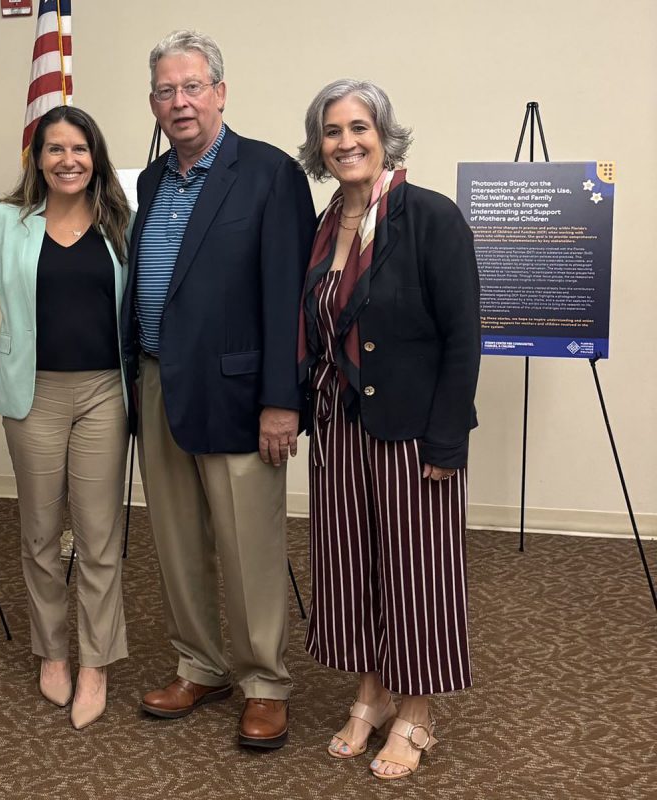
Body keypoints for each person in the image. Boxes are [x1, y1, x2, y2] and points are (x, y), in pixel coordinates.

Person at [121, 30, 316, 749]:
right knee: (176, 541)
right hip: (158, 384)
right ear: (153, 102)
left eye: (193, 87)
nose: (180, 102)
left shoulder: (268, 173)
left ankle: (264, 682)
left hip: (240, 395)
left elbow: (289, 297)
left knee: (248, 545)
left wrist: (282, 400)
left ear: (221, 93)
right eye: (166, 91)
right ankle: (200, 665)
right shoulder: (151, 180)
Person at [295, 78, 480, 780]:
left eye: (359, 128)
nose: (346, 142)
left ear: (384, 137)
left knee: (416, 572)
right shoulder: (321, 225)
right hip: (339, 426)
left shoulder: (428, 215)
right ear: (318, 145)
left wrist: (448, 438)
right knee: (352, 567)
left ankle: (417, 711)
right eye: (332, 131)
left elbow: (464, 336)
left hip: (411, 431)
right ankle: (370, 693)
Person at [0, 105, 133, 731]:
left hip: (106, 393)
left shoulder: (122, 219)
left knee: (100, 537)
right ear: (38, 159)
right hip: (34, 397)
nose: (68, 160)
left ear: (94, 157)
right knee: (41, 533)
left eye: (79, 148)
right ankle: (52, 650)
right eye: (55, 149)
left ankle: (96, 662)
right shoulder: (8, 220)